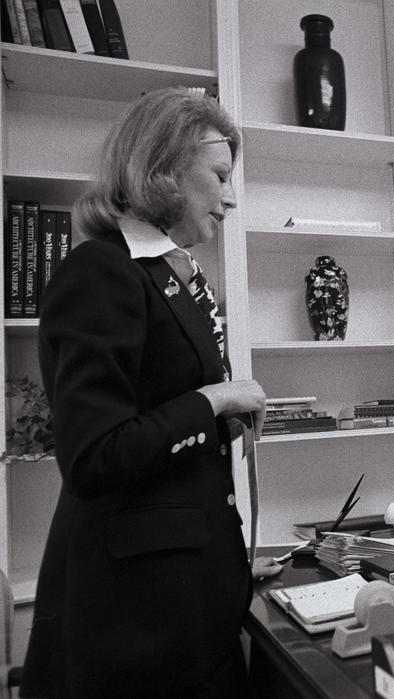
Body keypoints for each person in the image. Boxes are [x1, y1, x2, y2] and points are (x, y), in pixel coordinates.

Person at [20, 87, 280, 699]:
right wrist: (217, 401)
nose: (232, 197)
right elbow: (95, 456)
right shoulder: (101, 272)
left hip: (184, 598)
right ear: (163, 169)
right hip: (135, 629)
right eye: (219, 175)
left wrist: (224, 559)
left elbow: (166, 459)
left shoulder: (170, 277)